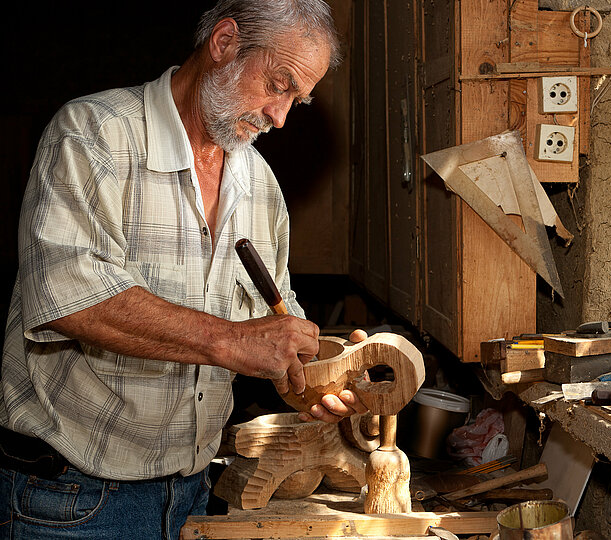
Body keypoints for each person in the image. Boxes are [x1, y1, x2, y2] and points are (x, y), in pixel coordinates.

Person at [0, 1, 360, 537]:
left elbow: (270, 324)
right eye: (278, 84)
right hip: (73, 500)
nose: (280, 116)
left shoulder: (259, 184)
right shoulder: (92, 135)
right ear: (224, 43)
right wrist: (231, 341)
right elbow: (66, 298)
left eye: (297, 100)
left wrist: (310, 375)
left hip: (193, 495)